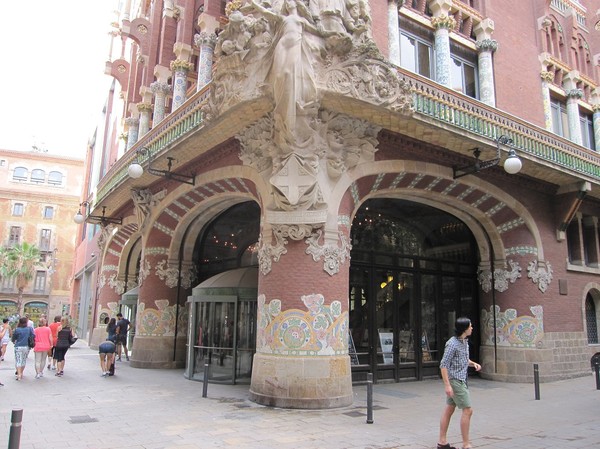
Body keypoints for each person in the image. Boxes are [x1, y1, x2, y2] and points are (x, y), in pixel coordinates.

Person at [437, 317, 481, 449]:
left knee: (449, 409)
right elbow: (443, 365)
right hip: (455, 381)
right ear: (464, 329)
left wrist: (473, 364)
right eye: (470, 326)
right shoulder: (452, 344)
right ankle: (466, 444)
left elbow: (464, 359)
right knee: (468, 410)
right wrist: (447, 385)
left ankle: (442, 442)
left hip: (461, 379)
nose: (472, 328)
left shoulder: (464, 342)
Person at [12, 316, 35, 381]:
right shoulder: (29, 329)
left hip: (18, 346)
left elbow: (14, 338)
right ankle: (21, 373)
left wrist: (14, 341)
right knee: (24, 360)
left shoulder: (17, 329)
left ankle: (18, 374)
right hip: (26, 346)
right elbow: (33, 335)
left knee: (18, 360)